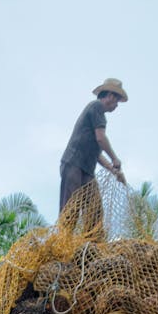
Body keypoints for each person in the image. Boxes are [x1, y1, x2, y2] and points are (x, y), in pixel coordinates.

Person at [59, 78, 129, 225]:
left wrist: (113, 170)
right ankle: (63, 243)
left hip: (87, 171)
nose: (117, 105)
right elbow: (101, 138)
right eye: (117, 101)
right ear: (110, 95)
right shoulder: (96, 107)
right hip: (73, 164)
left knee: (95, 211)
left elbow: (97, 154)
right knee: (70, 210)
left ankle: (93, 245)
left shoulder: (99, 114)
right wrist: (115, 159)